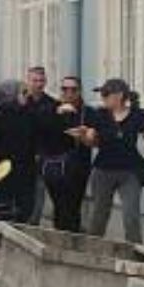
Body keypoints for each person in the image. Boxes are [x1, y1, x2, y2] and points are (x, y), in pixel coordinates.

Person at [83, 79, 144, 243]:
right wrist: (86, 137)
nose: (102, 97)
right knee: (99, 217)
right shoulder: (99, 115)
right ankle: (93, 251)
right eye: (101, 94)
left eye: (106, 94)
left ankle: (135, 256)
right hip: (103, 172)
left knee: (131, 217)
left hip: (130, 173)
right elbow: (93, 142)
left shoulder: (137, 115)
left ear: (119, 96)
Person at [39, 76, 93, 233]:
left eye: (73, 89)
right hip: (55, 166)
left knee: (73, 206)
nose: (68, 93)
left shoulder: (87, 112)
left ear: (79, 91)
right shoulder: (50, 109)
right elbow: (42, 132)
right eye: (64, 89)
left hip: (79, 166)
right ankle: (61, 237)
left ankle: (71, 239)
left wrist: (87, 134)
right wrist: (57, 114)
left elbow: (97, 135)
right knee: (60, 205)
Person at [0, 80, 37, 223]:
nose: (27, 96)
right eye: (23, 92)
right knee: (1, 209)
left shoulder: (28, 114)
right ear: (11, 95)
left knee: (25, 207)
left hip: (25, 169)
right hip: (2, 170)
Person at [23, 66, 57, 224]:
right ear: (27, 81)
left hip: (44, 155)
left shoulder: (52, 104)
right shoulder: (20, 102)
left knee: (39, 191)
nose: (38, 84)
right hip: (21, 156)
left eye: (41, 80)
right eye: (34, 80)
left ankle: (33, 223)